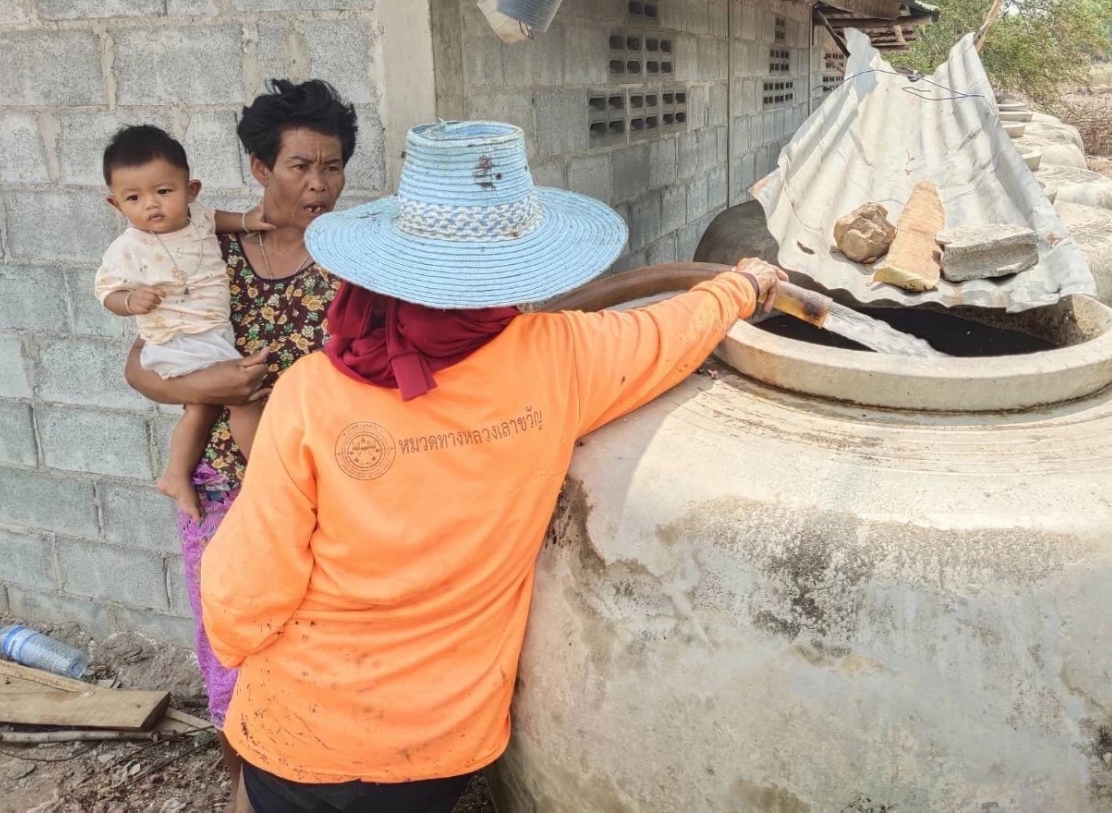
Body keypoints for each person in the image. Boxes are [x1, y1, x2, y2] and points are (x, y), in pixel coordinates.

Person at [200, 121, 786, 813]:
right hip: (438, 743)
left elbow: (245, 592)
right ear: (518, 262)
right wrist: (741, 287)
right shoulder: (564, 356)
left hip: (302, 727)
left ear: (387, 265)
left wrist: (237, 651)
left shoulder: (311, 392)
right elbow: (671, 330)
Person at [122, 80, 357, 811]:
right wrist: (213, 388)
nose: (318, 184)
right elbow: (140, 364)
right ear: (259, 168)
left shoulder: (359, 262)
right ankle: (244, 787)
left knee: (322, 653)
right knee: (231, 646)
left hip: (326, 498)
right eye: (299, 167)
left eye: (332, 166)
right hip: (224, 487)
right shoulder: (205, 250)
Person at [96, 125, 275, 521]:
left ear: (190, 190)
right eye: (134, 198)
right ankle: (269, 475)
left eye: (163, 192)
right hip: (177, 339)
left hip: (210, 333)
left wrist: (248, 220)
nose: (151, 205)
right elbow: (105, 292)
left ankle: (176, 474)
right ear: (116, 204)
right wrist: (129, 300)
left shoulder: (198, 219)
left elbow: (221, 221)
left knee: (200, 410)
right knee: (243, 397)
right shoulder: (127, 248)